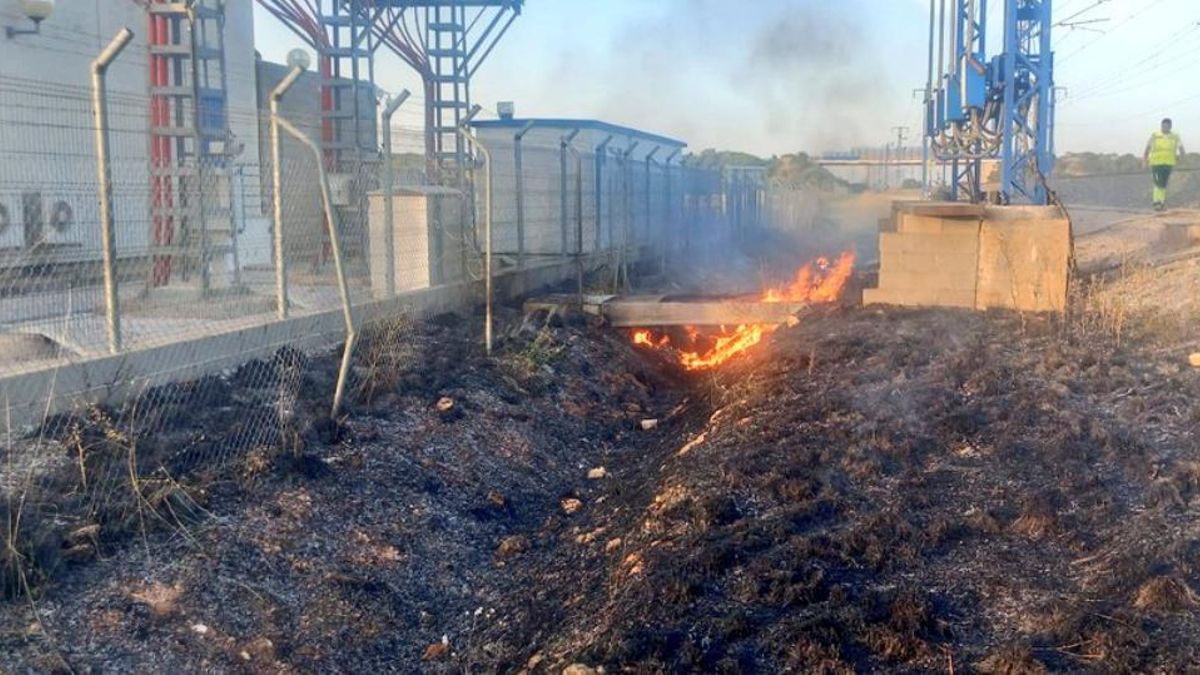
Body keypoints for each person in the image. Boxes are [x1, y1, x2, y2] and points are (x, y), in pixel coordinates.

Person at [1144, 118, 1185, 211]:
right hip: (1156, 163)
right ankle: (1156, 202)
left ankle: (1161, 203)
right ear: (1161, 125)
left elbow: (1181, 148)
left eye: (1167, 126)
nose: (1164, 127)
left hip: (1169, 163)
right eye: (1163, 126)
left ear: (1170, 126)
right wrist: (1145, 160)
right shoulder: (1155, 135)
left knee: (1163, 184)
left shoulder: (1175, 136)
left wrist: (1183, 158)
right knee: (1157, 182)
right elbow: (1147, 148)